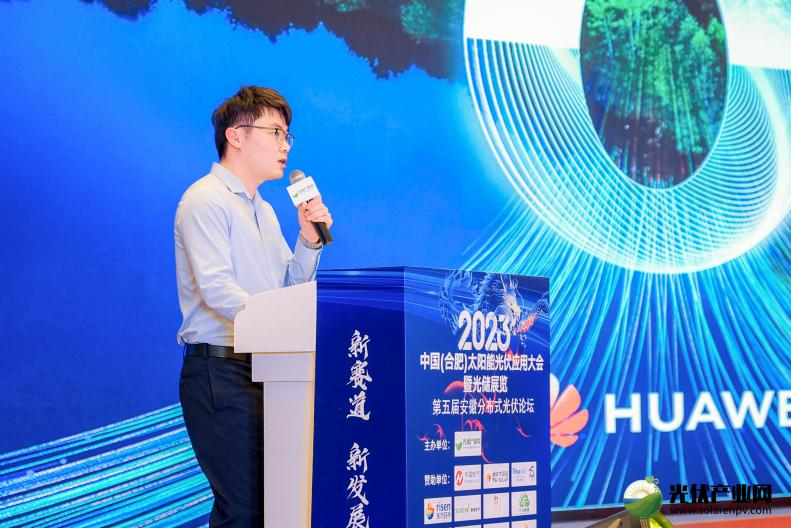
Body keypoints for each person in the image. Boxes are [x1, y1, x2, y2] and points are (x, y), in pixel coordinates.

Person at [174, 86, 332, 527]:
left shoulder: (264, 211)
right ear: (236, 135)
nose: (286, 146)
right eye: (275, 132)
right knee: (243, 509)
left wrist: (309, 240)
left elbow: (288, 288)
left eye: (288, 136)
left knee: (273, 507)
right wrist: (282, 327)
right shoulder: (205, 199)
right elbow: (217, 289)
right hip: (221, 371)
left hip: (270, 372)